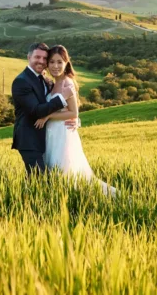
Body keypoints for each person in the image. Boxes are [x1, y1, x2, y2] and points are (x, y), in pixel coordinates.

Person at [34, 45, 117, 197]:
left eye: (60, 62)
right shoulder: (52, 83)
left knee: (65, 171)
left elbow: (73, 112)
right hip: (52, 134)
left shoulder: (67, 83)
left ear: (66, 63)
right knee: (53, 170)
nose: (55, 66)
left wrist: (47, 116)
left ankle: (73, 199)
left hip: (63, 133)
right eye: (52, 62)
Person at [11, 42, 75, 175]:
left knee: (41, 180)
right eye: (37, 57)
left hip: (46, 139)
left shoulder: (45, 79)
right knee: (40, 179)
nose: (41, 61)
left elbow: (71, 110)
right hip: (29, 139)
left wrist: (73, 119)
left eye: (45, 58)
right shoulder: (22, 81)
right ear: (29, 57)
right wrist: (62, 98)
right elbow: (36, 111)